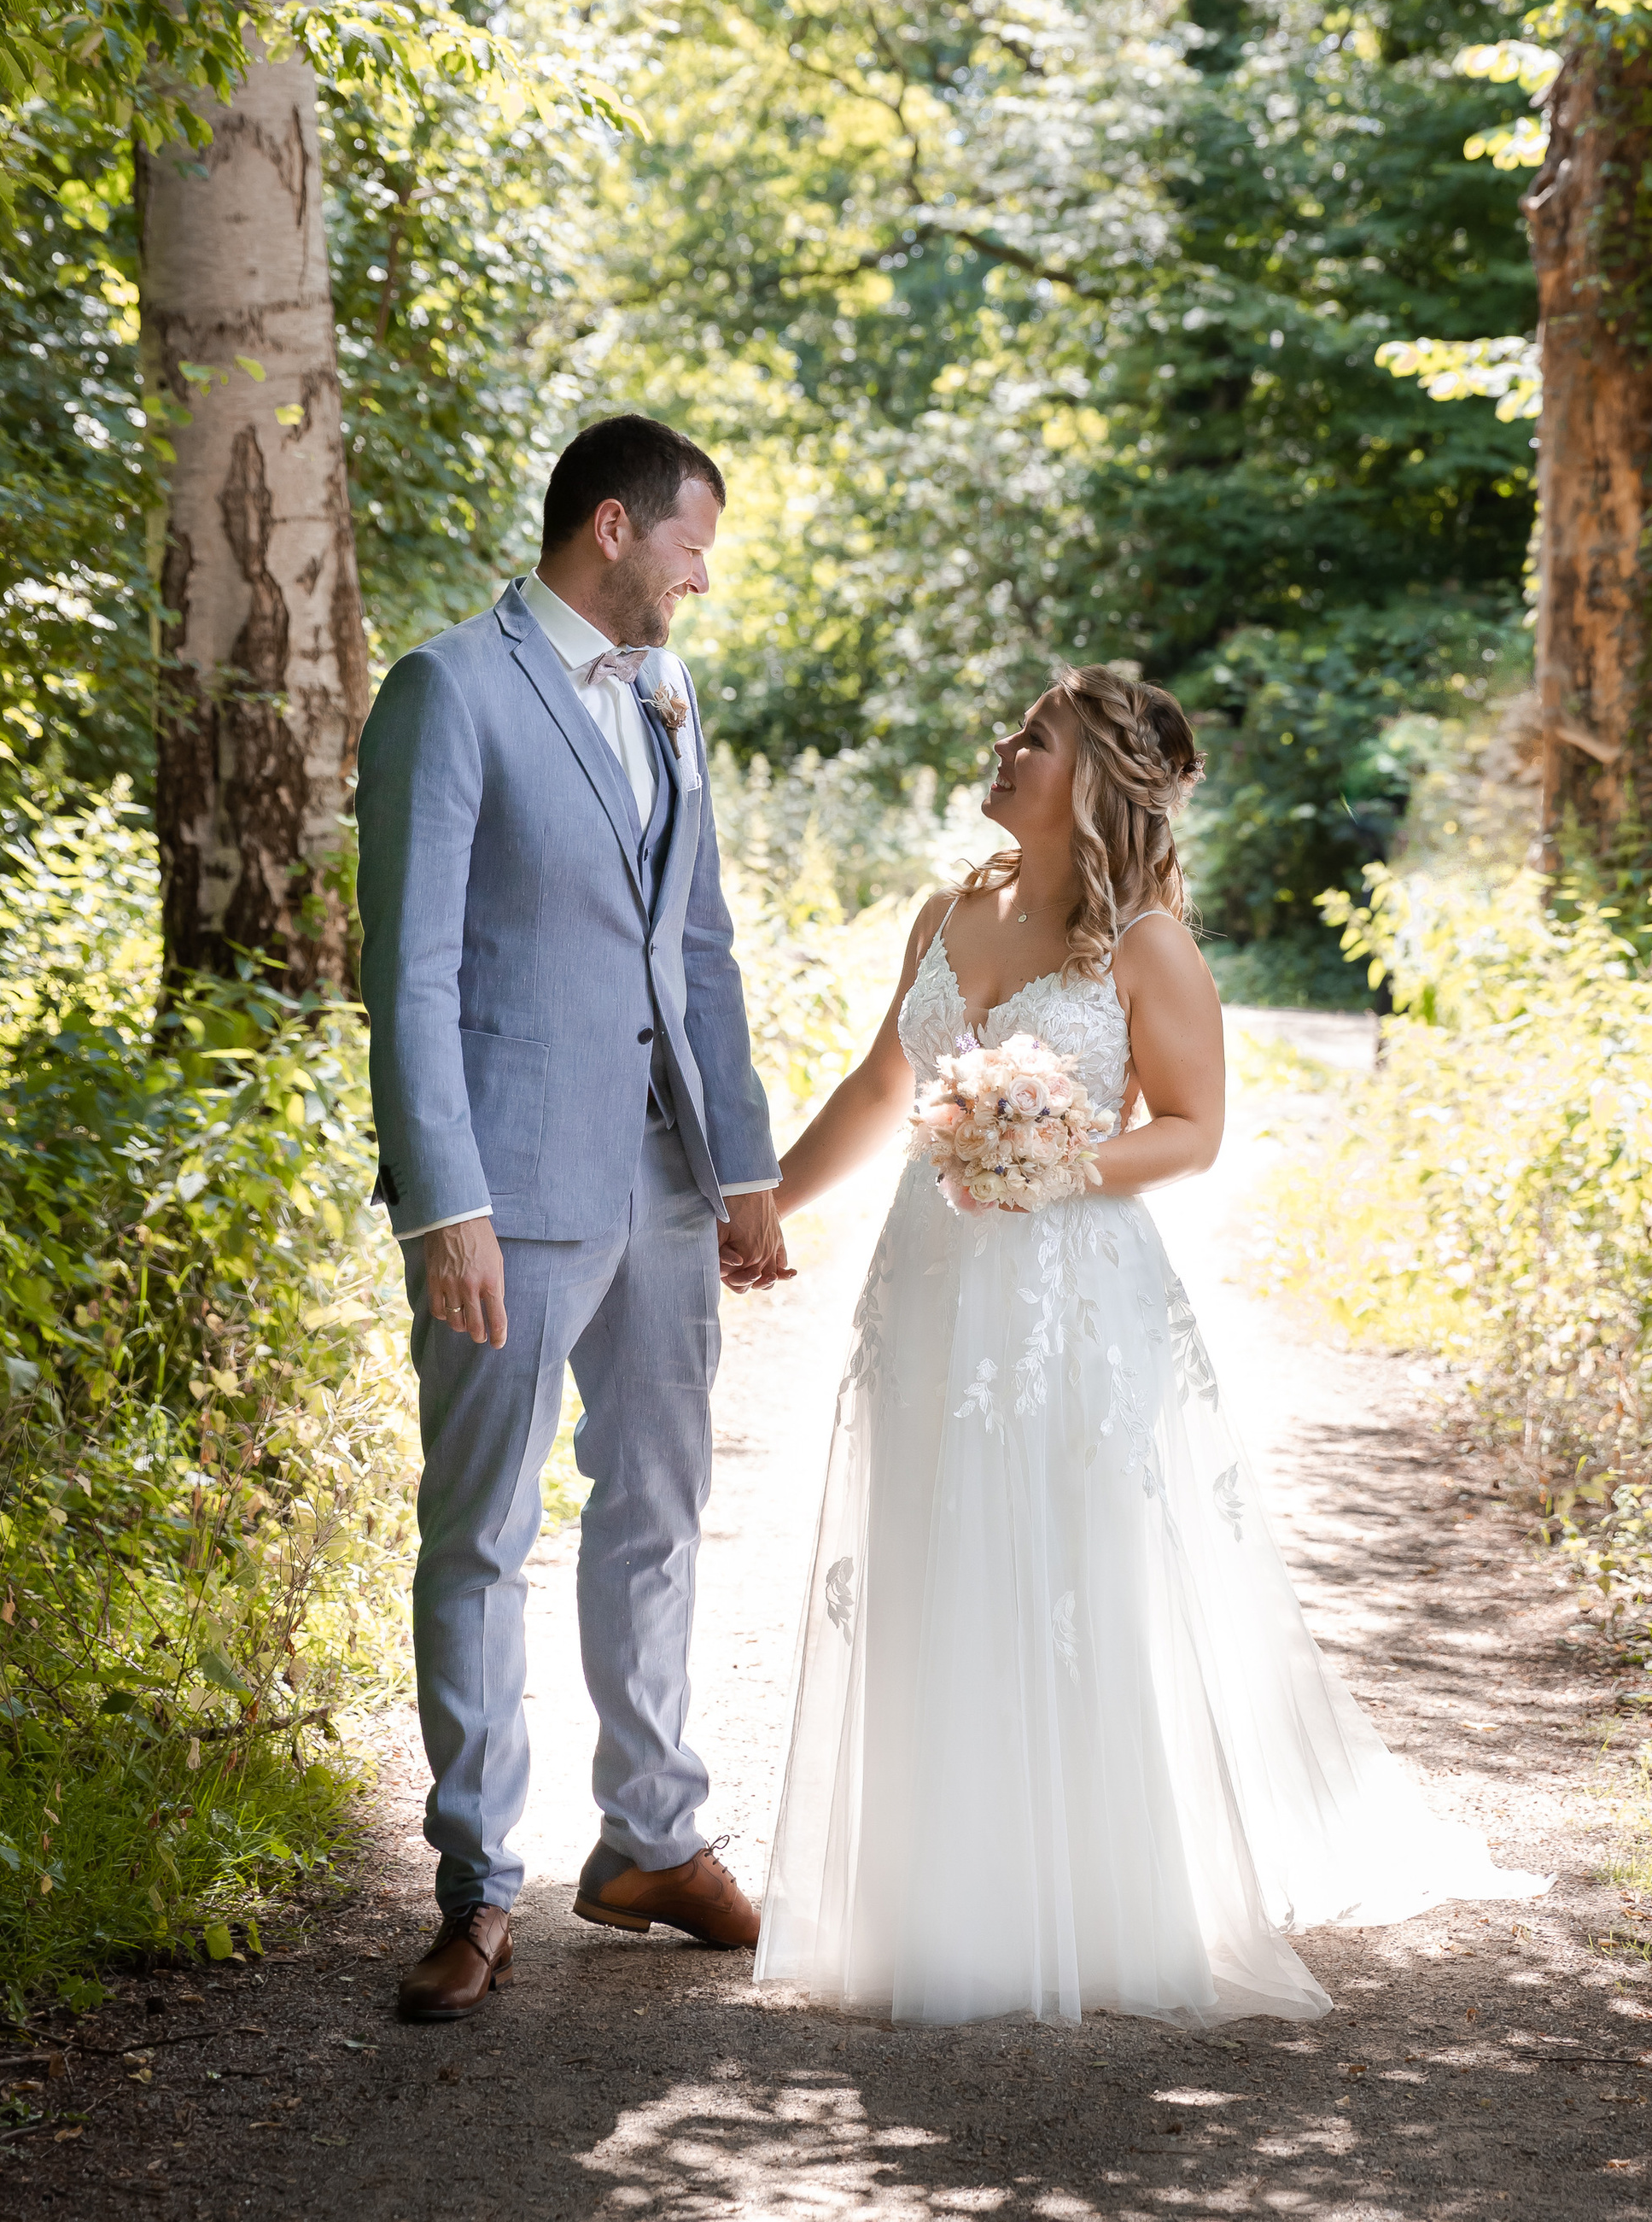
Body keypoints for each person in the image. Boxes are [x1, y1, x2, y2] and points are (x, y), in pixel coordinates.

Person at [755, 664, 1544, 2026]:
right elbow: (886, 1085)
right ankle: (938, 1896)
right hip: (933, 1280)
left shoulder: (1146, 946)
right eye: (1012, 732)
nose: (1005, 751)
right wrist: (767, 1202)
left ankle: (1090, 1896)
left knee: (1065, 1571)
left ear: (1100, 781)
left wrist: (1054, 1166)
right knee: (928, 1552)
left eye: (1037, 739)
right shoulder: (948, 914)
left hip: (1066, 1289)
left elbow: (1191, 1128)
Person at [356, 413, 792, 2026]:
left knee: (658, 1509)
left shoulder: (671, 700)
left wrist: (739, 1170)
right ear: (611, 526)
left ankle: (651, 1840)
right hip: (513, 1190)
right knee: (479, 1529)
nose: (700, 573)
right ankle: (478, 1885)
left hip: (666, 1186)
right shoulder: (450, 691)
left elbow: (703, 951)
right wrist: (443, 1199)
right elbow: (405, 972)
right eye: (692, 542)